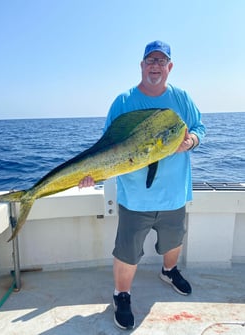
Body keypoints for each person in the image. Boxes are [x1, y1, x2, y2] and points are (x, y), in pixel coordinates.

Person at [79, 40, 206, 330]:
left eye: (162, 61)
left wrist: (192, 141)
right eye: (151, 60)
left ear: (169, 67)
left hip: (174, 195)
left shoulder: (182, 98)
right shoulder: (124, 102)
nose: (156, 66)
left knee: (174, 241)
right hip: (136, 198)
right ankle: (121, 295)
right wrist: (93, 174)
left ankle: (169, 271)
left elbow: (200, 127)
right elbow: (105, 147)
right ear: (142, 65)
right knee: (127, 251)